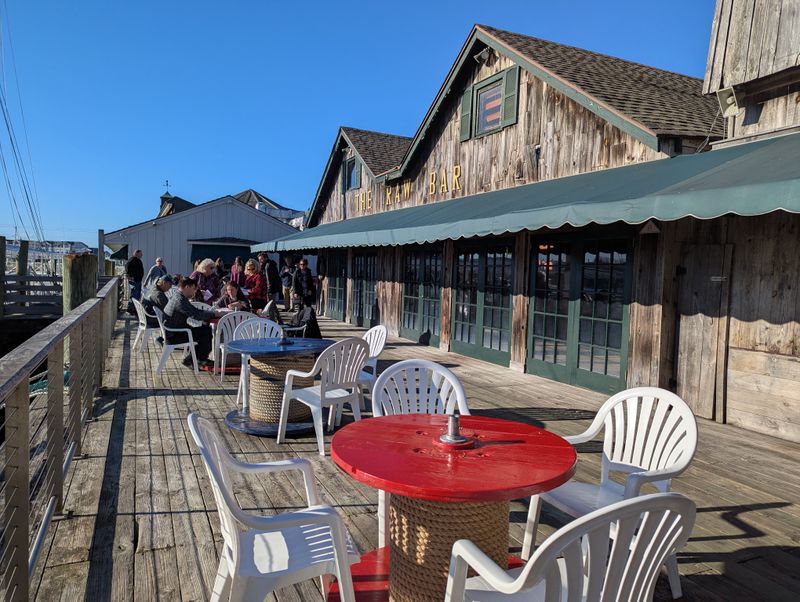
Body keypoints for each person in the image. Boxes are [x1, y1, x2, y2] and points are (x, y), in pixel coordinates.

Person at [163, 277, 219, 367]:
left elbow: (195, 311)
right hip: (174, 335)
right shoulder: (180, 300)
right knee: (205, 331)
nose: (194, 292)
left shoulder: (177, 296)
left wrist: (211, 313)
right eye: (194, 289)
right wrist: (214, 314)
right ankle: (200, 359)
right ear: (187, 287)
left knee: (202, 331)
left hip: (173, 331)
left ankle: (192, 359)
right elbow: (196, 315)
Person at [125, 249, 144, 313]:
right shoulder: (132, 259)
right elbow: (127, 267)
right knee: (134, 294)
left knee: (137, 295)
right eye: (140, 253)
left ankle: (135, 308)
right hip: (134, 280)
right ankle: (130, 309)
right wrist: (130, 276)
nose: (142, 255)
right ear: (136, 253)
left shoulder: (139, 260)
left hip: (138, 280)